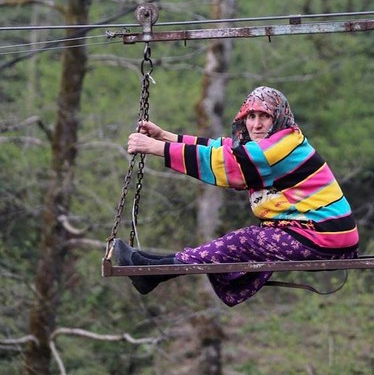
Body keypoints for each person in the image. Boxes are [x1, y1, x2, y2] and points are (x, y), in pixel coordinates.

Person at [113, 86, 359, 307]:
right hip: (323, 235)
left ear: (279, 118)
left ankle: (155, 270)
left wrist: (155, 148)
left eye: (265, 117)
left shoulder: (280, 147)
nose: (256, 125)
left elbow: (227, 163)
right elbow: (222, 149)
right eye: (251, 117)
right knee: (245, 242)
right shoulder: (278, 142)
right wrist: (167, 137)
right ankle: (154, 268)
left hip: (325, 237)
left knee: (245, 240)